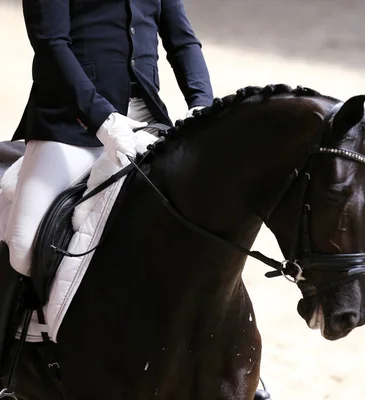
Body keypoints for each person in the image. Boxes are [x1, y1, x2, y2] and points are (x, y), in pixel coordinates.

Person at [0, 0, 213, 375]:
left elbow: (183, 42)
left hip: (146, 118)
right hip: (71, 124)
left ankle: (227, 360)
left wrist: (202, 104)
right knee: (22, 244)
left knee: (206, 227)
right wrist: (101, 119)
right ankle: (10, 364)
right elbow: (51, 43)